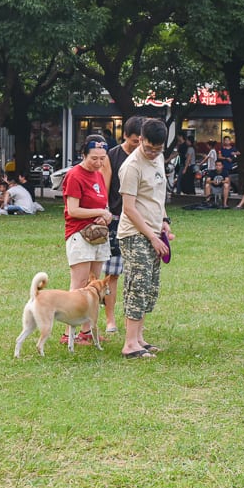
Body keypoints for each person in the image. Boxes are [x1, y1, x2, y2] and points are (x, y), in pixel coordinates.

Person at [117, 118, 172, 359]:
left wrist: (164, 222)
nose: (152, 153)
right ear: (140, 139)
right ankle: (130, 345)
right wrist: (151, 236)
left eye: (157, 149)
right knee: (137, 285)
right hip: (135, 234)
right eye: (148, 148)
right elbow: (129, 207)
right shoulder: (132, 166)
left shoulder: (158, 158)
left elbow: (158, 196)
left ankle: (140, 338)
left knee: (150, 287)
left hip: (154, 231)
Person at [61, 134, 113, 345]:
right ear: (83, 154)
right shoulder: (75, 175)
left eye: (102, 158)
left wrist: (105, 214)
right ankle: (68, 333)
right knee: (79, 284)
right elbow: (72, 210)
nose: (98, 163)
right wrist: (99, 211)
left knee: (95, 283)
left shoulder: (99, 175)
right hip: (79, 235)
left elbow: (103, 203)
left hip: (98, 235)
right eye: (94, 158)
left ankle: (86, 331)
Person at [100, 115, 144, 334]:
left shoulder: (147, 156)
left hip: (140, 221)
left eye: (142, 140)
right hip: (117, 220)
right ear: (125, 136)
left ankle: (133, 322)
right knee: (113, 273)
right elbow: (104, 187)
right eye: (136, 140)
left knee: (137, 273)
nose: (139, 145)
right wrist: (105, 213)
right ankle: (110, 319)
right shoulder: (112, 156)